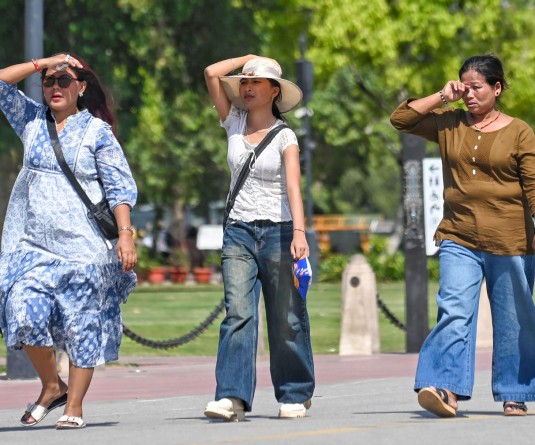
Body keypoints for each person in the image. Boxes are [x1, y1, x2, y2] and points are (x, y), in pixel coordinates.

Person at [390, 53, 535, 417]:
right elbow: (401, 119)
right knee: (453, 311)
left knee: (514, 318)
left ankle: (515, 391)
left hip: (511, 240)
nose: (469, 94)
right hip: (459, 236)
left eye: (477, 87)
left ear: (497, 88)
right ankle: (446, 390)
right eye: (464, 87)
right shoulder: (449, 123)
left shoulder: (520, 131)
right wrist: (443, 96)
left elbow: (533, 186)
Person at [0, 53, 138, 429]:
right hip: (32, 247)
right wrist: (43, 62)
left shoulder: (97, 132)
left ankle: (73, 405)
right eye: (49, 81)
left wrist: (125, 235)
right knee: (23, 309)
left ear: (81, 87)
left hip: (83, 250)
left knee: (82, 324)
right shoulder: (32, 120)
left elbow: (119, 188)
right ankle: (51, 386)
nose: (56, 87)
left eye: (64, 81)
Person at [203, 55, 315, 421]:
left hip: (279, 232)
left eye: (256, 82)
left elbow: (294, 187)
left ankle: (294, 392)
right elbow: (211, 73)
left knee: (286, 317)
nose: (248, 88)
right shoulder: (233, 122)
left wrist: (299, 232)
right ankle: (231, 396)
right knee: (238, 312)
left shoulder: (285, 136)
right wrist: (246, 60)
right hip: (238, 231)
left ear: (274, 91)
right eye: (245, 82)